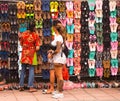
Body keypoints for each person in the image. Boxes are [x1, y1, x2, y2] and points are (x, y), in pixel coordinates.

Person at [45, 20, 67, 99]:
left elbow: (57, 49)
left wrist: (51, 54)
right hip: (58, 58)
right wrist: (52, 51)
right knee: (58, 76)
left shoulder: (58, 37)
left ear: (54, 28)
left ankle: (60, 92)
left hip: (59, 58)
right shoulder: (58, 37)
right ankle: (58, 91)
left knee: (59, 76)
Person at [19, 22, 40, 92]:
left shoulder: (23, 34)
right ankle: (30, 87)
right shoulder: (35, 35)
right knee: (31, 69)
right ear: (34, 27)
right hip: (32, 53)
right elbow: (37, 48)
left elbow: (21, 44)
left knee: (23, 69)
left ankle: (21, 86)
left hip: (24, 53)